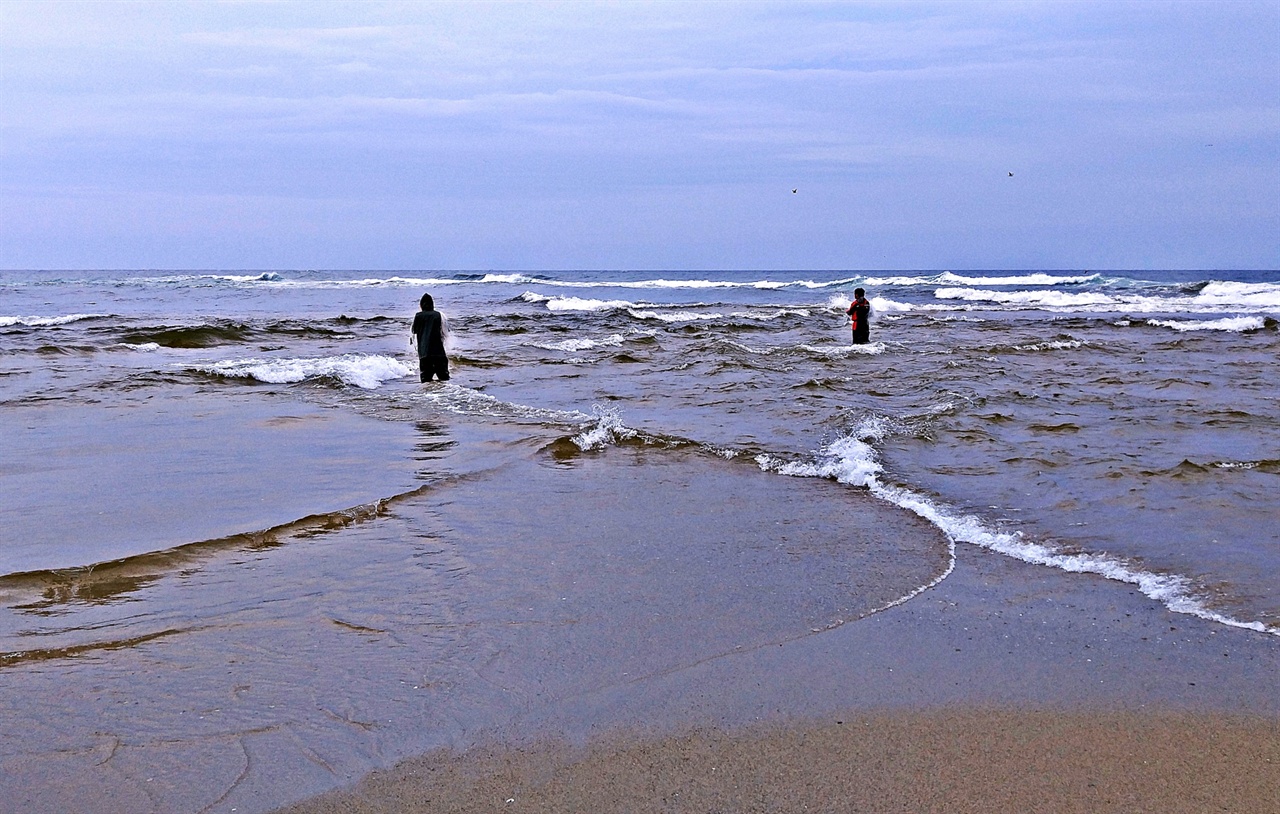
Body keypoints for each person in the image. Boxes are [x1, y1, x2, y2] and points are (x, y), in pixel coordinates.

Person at [411, 293, 450, 382]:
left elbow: (414, 331)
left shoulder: (418, 316)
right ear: (433, 304)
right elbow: (446, 333)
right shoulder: (439, 315)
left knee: (426, 382)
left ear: (421, 305)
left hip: (424, 355)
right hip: (439, 354)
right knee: (444, 380)